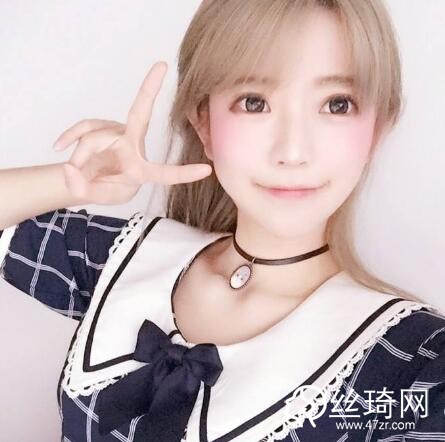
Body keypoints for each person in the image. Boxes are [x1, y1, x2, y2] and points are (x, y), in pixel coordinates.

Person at [1, 0, 444, 440]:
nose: (292, 151)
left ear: (377, 129)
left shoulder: (415, 361)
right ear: (205, 125)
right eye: (254, 102)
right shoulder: (130, 257)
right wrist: (77, 182)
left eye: (337, 104)